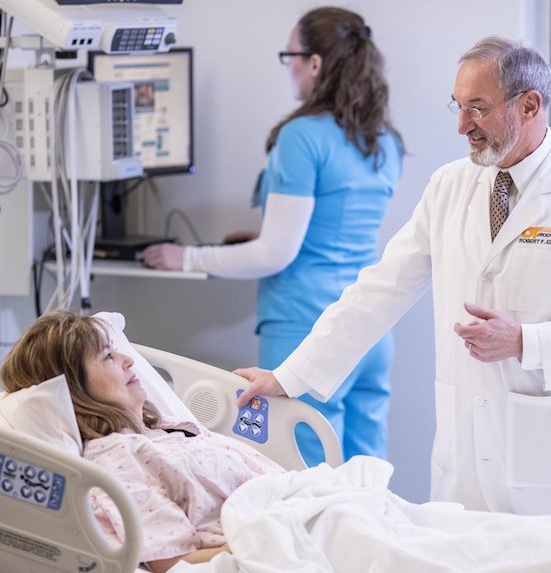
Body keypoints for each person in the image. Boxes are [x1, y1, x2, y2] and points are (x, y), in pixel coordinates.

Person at [233, 35, 551, 516]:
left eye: (476, 109)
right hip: (466, 457)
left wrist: (526, 342)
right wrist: (289, 377)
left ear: (529, 105)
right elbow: (380, 290)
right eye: (457, 107)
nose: (462, 126)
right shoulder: (450, 186)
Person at [141, 7, 404, 466]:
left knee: (305, 472)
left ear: (316, 63)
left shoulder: (302, 137)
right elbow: (336, 230)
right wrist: (266, 237)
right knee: (366, 473)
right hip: (371, 328)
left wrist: (184, 257)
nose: (290, 68)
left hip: (310, 327)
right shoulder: (382, 139)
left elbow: (276, 253)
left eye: (291, 56)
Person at [0, 310, 284, 572]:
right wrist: (273, 539)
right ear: (76, 390)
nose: (128, 359)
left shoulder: (165, 431)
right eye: (108, 356)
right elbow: (175, 561)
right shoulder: (117, 457)